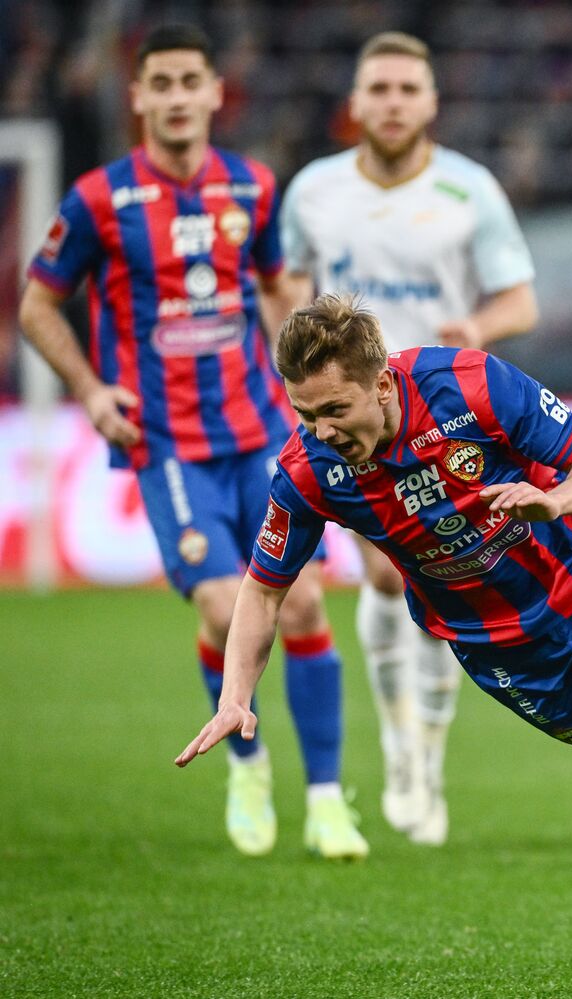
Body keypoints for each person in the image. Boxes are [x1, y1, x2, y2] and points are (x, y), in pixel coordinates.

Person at [175, 294, 572, 788]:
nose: (320, 430)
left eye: (335, 410)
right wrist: (236, 695)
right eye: (305, 414)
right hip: (502, 647)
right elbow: (263, 592)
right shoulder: (307, 472)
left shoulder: (470, 385)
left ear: (381, 384)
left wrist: (557, 499)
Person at [18, 25, 365, 859]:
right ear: (137, 97)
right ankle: (246, 762)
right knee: (221, 603)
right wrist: (93, 390)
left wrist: (312, 387)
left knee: (310, 601)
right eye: (160, 83)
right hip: (168, 444)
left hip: (260, 436)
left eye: (189, 82)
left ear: (216, 92)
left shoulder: (251, 185)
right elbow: (36, 305)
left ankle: (325, 798)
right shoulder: (99, 199)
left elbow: (280, 285)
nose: (176, 97)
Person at [278, 31, 539, 846]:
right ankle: (403, 752)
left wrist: (478, 324)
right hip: (355, 427)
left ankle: (424, 751)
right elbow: (285, 292)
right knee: (391, 581)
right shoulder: (315, 192)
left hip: (448, 418)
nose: (392, 102)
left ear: (431, 102)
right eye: (378, 89)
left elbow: (520, 302)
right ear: (355, 103)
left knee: (446, 590)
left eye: (407, 89)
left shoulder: (470, 190)